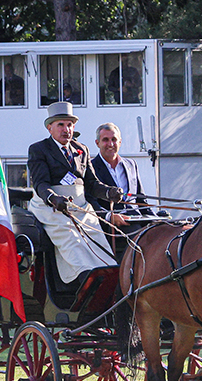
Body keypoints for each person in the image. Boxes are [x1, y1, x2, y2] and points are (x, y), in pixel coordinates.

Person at [27, 102, 122, 287]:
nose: (66, 130)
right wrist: (54, 198)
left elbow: (92, 184)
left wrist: (109, 192)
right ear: (50, 128)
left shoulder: (81, 149)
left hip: (79, 206)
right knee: (74, 242)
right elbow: (40, 184)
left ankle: (109, 282)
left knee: (99, 243)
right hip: (51, 208)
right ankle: (86, 284)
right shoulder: (39, 149)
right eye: (61, 125)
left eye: (69, 125)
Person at [90, 122, 156, 259]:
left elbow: (141, 200)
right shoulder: (90, 168)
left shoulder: (131, 164)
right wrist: (109, 216)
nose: (110, 144)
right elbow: (91, 202)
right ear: (97, 143)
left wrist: (156, 219)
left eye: (114, 139)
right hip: (111, 227)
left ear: (120, 142)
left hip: (136, 220)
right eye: (105, 140)